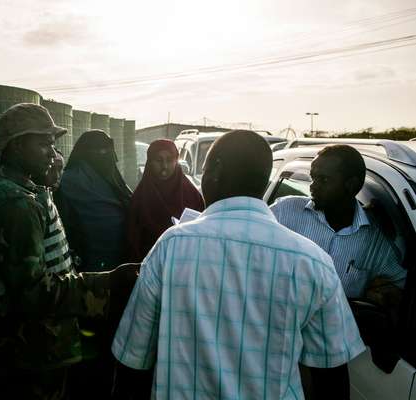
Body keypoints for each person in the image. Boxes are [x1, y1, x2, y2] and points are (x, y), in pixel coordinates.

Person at [112, 130, 365, 399]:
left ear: (214, 171)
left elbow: (133, 362)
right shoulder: (314, 262)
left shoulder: (171, 246)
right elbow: (331, 377)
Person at [0, 103, 138, 400]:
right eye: (44, 143)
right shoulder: (17, 206)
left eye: (53, 143)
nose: (53, 153)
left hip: (37, 345)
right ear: (18, 146)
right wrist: (107, 282)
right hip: (29, 349)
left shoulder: (24, 193)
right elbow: (32, 293)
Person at [270, 144, 406, 299]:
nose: (313, 186)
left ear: (351, 184)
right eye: (313, 178)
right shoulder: (284, 211)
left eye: (323, 179)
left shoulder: (373, 240)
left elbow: (401, 282)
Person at [55, 129, 132, 272]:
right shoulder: (69, 181)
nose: (106, 155)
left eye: (107, 150)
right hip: (86, 265)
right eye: (100, 150)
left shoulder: (112, 178)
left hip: (121, 260)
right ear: (84, 152)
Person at [127, 139, 204, 262]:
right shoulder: (140, 198)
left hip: (185, 263)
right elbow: (133, 241)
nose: (164, 166)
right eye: (158, 160)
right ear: (150, 162)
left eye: (170, 160)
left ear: (176, 161)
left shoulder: (192, 196)